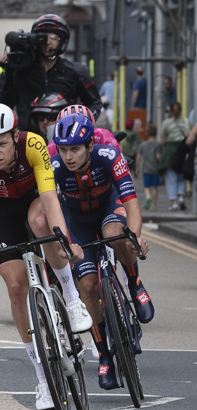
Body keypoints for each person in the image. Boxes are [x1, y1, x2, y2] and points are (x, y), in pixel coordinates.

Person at [0, 103, 89, 410]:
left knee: (42, 224)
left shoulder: (32, 144)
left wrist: (66, 243)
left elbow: (49, 200)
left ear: (15, 136)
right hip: (1, 212)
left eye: (2, 144)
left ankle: (71, 298)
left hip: (35, 200)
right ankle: (42, 379)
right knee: (17, 288)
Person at [51, 112, 152, 390]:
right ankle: (104, 353)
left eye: (75, 149)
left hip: (108, 207)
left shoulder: (109, 156)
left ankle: (134, 283)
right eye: (63, 150)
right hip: (76, 220)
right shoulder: (54, 165)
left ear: (89, 147)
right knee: (88, 285)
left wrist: (135, 237)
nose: (68, 156)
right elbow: (50, 208)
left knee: (116, 236)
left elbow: (131, 203)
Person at [0, 14, 102, 132]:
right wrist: (8, 73)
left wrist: (82, 125)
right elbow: (3, 105)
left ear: (62, 40)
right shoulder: (22, 72)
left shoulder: (75, 71)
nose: (47, 42)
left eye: (53, 37)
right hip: (28, 139)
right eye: (43, 37)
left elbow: (94, 103)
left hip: (65, 139)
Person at [160, 102, 190, 210]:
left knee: (171, 178)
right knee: (181, 177)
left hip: (170, 151)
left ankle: (174, 202)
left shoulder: (166, 123)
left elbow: (162, 140)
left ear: (171, 112)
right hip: (182, 151)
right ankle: (181, 197)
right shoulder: (186, 122)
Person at [136, 124, 161, 211]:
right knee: (154, 187)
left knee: (146, 186)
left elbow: (138, 156)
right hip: (155, 169)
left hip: (145, 169)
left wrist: (137, 167)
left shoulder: (143, 144)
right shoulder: (157, 145)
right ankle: (153, 205)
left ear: (147, 133)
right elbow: (158, 156)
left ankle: (148, 196)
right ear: (156, 134)